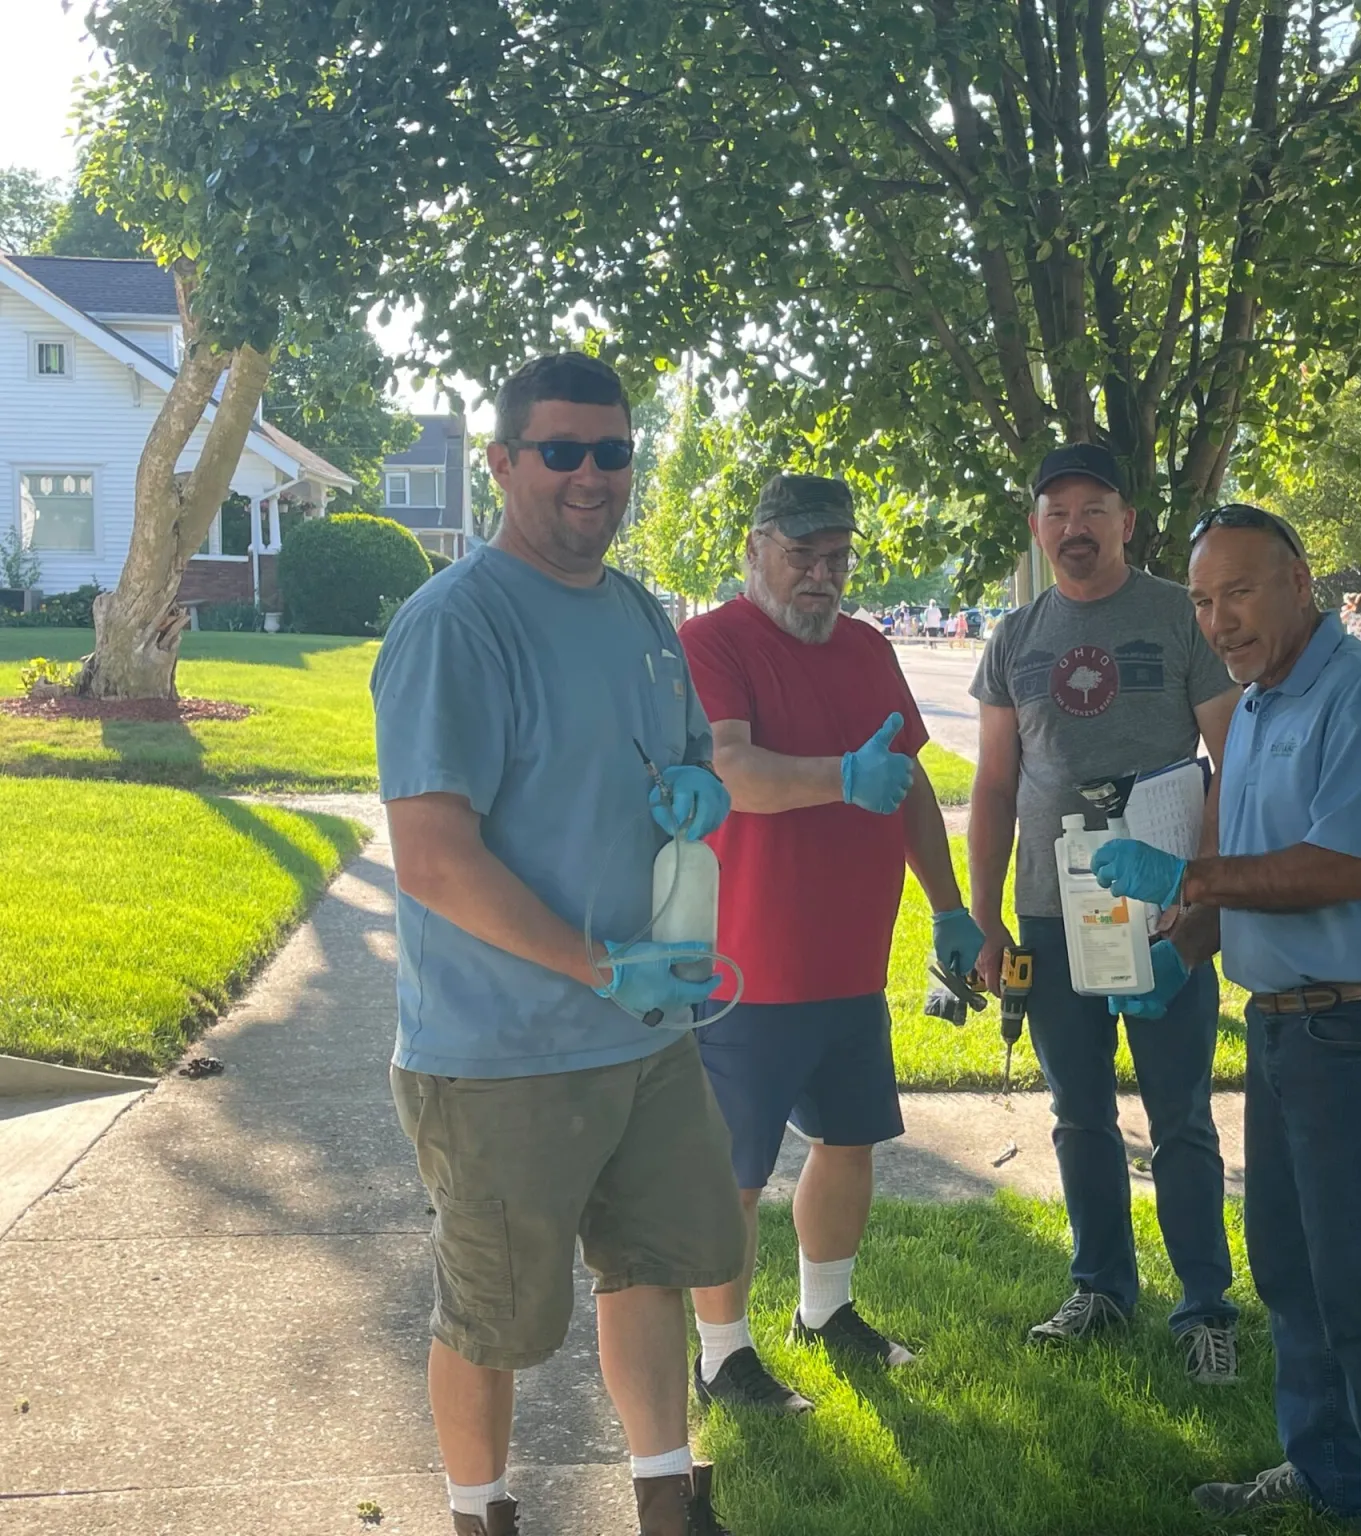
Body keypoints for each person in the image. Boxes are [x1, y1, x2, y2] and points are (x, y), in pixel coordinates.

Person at [372, 354, 747, 1536]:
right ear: (501, 464)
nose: (593, 476)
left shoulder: (641, 612)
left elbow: (691, 761)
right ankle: (480, 1514)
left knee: (651, 1266)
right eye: (562, 451)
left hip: (644, 1033)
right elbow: (432, 856)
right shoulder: (455, 623)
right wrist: (597, 964)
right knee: (490, 1318)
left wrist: (700, 794)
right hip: (499, 1054)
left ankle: (667, 1504)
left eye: (614, 451)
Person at [1091, 502, 1361, 1536]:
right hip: (1284, 1028)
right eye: (1203, 602)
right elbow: (1252, 879)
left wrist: (1187, 875)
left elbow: (1342, 867)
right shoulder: (1252, 707)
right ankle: (1326, 1472)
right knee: (1290, 1275)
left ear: (1298, 581)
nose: (1219, 620)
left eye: (1238, 591)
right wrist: (1179, 951)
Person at [679, 474, 982, 1415]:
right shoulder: (711, 642)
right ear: (755, 549)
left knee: (849, 1142)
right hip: (747, 965)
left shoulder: (866, 647)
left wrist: (949, 907)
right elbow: (728, 767)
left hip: (850, 961)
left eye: (837, 556)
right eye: (802, 553)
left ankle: (825, 1312)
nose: (822, 573)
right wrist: (843, 779)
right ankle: (722, 1355)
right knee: (733, 1170)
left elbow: (916, 788)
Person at [967, 442, 1242, 1382]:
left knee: (1182, 1119)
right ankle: (1101, 1288)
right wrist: (985, 917)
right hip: (1053, 915)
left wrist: (1200, 897)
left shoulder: (1178, 615)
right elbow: (995, 785)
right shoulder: (1014, 639)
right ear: (1036, 529)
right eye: (1056, 513)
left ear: (1127, 521)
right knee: (1078, 1114)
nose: (1074, 529)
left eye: (1094, 510)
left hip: (1164, 913)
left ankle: (1205, 1307)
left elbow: (1229, 761)